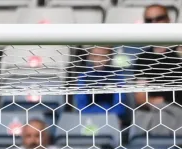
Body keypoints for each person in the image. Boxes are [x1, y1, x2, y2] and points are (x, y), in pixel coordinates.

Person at [132, 4, 182, 136]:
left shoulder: (180, 52)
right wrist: (159, 102)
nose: (154, 23)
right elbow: (141, 97)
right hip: (155, 113)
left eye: (159, 18)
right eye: (149, 20)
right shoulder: (144, 58)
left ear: (168, 20)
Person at [75, 46, 127, 120]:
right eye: (95, 56)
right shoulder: (84, 76)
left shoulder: (117, 76)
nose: (99, 60)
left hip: (112, 118)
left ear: (110, 56)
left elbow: (120, 104)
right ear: (90, 57)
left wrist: (111, 116)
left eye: (103, 57)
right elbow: (81, 105)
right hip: (88, 119)